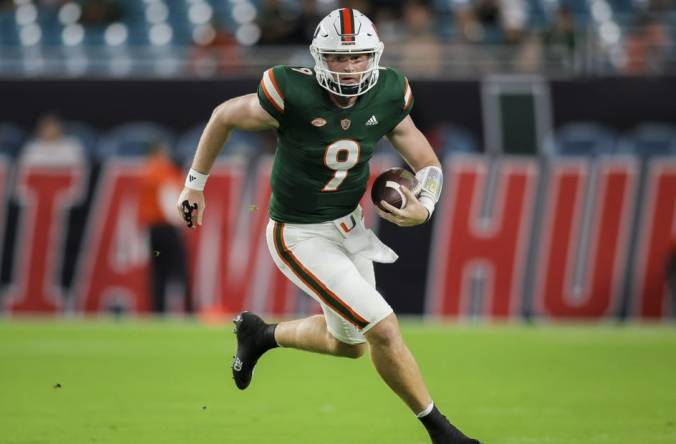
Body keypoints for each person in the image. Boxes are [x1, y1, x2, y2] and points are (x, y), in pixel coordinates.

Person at [176, 8, 480, 444]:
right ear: (320, 58)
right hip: (299, 235)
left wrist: (425, 204)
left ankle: (261, 335)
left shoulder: (390, 91)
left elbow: (427, 162)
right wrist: (194, 185)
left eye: (358, 57)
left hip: (350, 228)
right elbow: (224, 115)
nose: (350, 67)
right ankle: (443, 433)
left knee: (351, 345)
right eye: (338, 58)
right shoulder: (290, 90)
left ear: (374, 55)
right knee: (384, 328)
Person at [139, 142, 193, 314]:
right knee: (180, 271)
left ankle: (158, 310)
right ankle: (188, 310)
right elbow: (169, 200)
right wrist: (181, 222)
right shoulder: (164, 171)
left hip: (153, 230)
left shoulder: (146, 172)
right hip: (167, 229)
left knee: (158, 272)